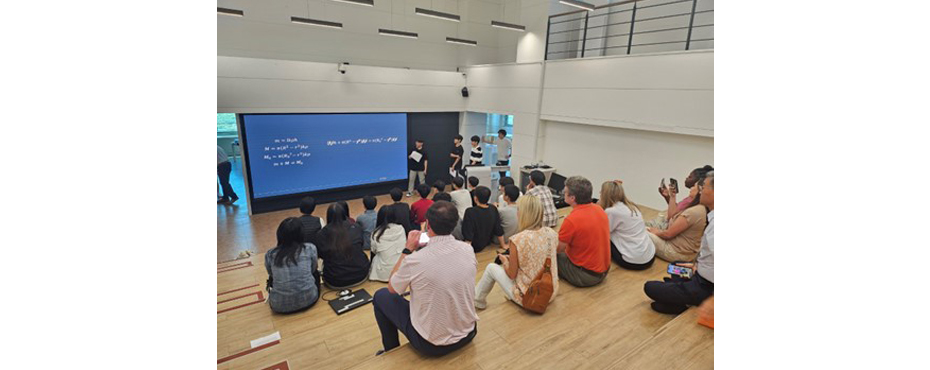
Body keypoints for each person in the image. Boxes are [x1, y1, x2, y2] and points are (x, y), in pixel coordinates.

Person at [372, 201, 478, 357]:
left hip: (431, 344)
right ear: (455, 223)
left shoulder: (415, 260)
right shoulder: (468, 249)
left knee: (381, 296)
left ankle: (391, 349)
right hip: (468, 332)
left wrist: (407, 250)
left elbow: (392, 288)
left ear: (427, 224)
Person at [644, 172, 714, 314]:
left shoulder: (697, 212)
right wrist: (697, 267)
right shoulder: (703, 211)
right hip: (698, 272)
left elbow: (669, 234)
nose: (700, 190)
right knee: (674, 268)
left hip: (704, 285)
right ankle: (678, 297)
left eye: (703, 187)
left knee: (650, 287)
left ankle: (688, 298)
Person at [474, 194, 559, 310]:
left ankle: (478, 301)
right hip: (550, 291)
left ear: (523, 214)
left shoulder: (517, 239)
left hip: (529, 297)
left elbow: (511, 274)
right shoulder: (551, 233)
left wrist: (505, 261)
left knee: (490, 267)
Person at [557, 176, 610, 287]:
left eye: (565, 192)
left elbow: (558, 249)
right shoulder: (599, 209)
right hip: (603, 271)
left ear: (572, 198)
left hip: (585, 276)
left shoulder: (571, 220)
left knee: (546, 254)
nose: (563, 193)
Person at [264, 217, 320, 313]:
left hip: (278, 305)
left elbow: (271, 274)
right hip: (309, 299)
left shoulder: (270, 254)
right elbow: (313, 268)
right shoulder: (310, 248)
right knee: (316, 273)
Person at [598, 180, 656, 270]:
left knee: (602, 235)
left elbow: (602, 232)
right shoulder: (632, 207)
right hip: (649, 257)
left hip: (632, 261)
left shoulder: (612, 211)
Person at [317, 203, 370, 289]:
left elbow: (321, 255)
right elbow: (361, 245)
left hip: (335, 280)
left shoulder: (321, 234)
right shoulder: (356, 227)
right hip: (361, 274)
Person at [647, 190, 707, 262]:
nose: (691, 188)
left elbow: (668, 234)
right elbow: (672, 217)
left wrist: (656, 232)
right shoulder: (701, 208)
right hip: (687, 252)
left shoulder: (694, 211)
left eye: (694, 186)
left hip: (677, 253)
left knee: (641, 232)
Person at [647, 165, 714, 229]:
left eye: (690, 177)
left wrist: (672, 197)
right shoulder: (690, 198)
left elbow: (672, 217)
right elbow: (676, 210)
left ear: (698, 182)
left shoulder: (694, 203)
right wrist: (668, 197)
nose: (686, 178)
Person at [462, 186, 504, 253]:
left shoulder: (470, 211)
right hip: (486, 243)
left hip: (474, 247)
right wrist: (503, 245)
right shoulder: (493, 208)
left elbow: (468, 234)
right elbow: (498, 228)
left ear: (475, 198)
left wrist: (467, 253)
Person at [369, 206, 406, 282]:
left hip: (383, 273)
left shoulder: (376, 234)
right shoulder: (401, 228)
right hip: (400, 270)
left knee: (376, 257)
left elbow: (374, 251)